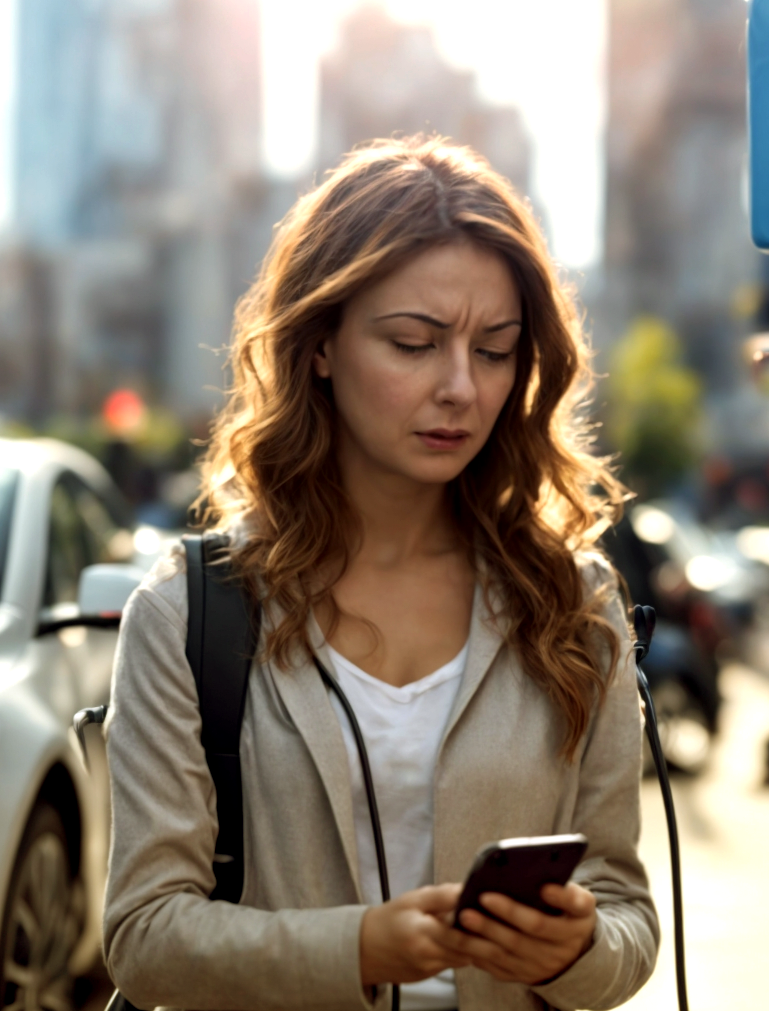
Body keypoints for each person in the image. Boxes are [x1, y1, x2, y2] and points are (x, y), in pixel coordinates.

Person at [101, 136, 658, 1011]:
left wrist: (575, 946)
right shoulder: (193, 610)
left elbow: (627, 924)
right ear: (319, 345)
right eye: (414, 342)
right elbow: (144, 935)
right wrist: (358, 945)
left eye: (496, 349)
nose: (461, 388)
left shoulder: (573, 603)